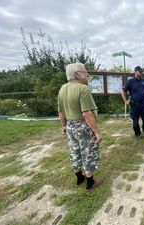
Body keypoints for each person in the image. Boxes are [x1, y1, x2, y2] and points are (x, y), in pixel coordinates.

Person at [58, 63, 103, 191]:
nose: (87, 74)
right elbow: (87, 113)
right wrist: (97, 132)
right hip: (83, 126)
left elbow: (60, 112)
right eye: (85, 72)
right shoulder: (83, 88)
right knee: (88, 152)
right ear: (77, 74)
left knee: (74, 150)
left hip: (70, 125)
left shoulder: (62, 88)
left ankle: (79, 177)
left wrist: (64, 126)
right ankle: (90, 182)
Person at [121, 66, 144, 138]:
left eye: (141, 72)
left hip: (143, 105)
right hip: (134, 105)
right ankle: (137, 134)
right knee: (135, 121)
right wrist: (126, 101)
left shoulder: (143, 81)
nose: (141, 73)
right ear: (135, 72)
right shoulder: (130, 81)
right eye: (140, 71)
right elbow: (123, 92)